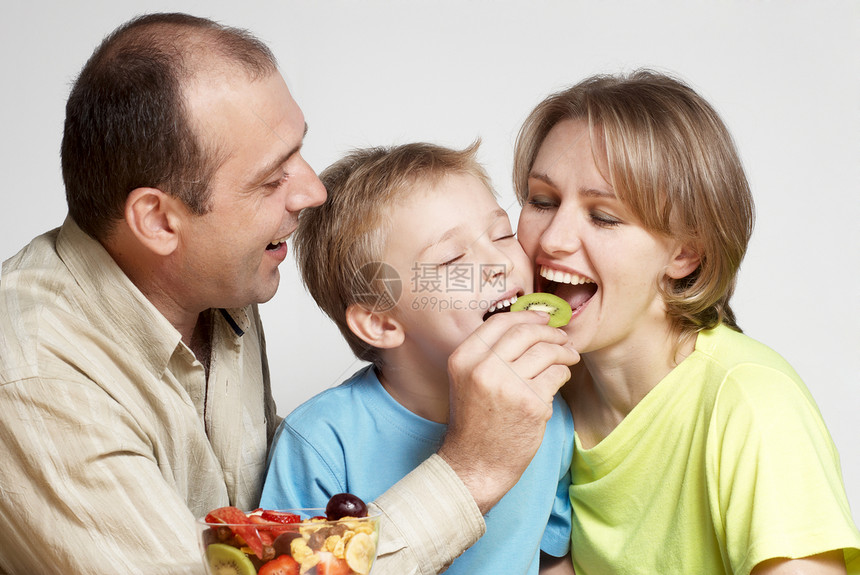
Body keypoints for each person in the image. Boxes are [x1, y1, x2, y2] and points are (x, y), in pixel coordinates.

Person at [0, 13, 578, 575]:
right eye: (271, 178)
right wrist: (472, 471)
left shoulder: (219, 278)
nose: (313, 191)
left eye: (299, 151)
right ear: (158, 221)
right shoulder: (35, 384)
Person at [512, 69, 860, 574]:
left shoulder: (750, 402)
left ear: (685, 253)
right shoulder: (539, 393)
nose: (553, 240)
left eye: (604, 216)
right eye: (542, 201)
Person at [260, 142, 576, 574]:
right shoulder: (321, 441)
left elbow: (551, 557)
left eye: (502, 234)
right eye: (452, 259)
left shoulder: (544, 409)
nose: (499, 262)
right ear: (381, 321)